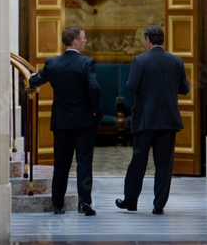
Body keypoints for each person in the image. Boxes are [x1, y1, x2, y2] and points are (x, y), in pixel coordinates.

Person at [115, 24, 190, 215]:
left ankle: (130, 201)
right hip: (168, 121)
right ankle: (159, 205)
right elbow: (185, 89)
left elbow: (131, 87)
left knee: (138, 162)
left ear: (148, 39)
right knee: (164, 164)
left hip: (145, 122)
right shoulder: (176, 61)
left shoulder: (140, 60)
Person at [28, 26, 102, 216]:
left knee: (61, 163)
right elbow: (94, 88)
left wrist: (31, 78)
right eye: (84, 38)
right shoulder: (87, 63)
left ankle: (58, 204)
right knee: (84, 163)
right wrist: (96, 111)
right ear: (75, 41)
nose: (86, 40)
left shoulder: (53, 63)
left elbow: (35, 81)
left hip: (61, 122)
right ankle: (85, 203)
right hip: (84, 121)